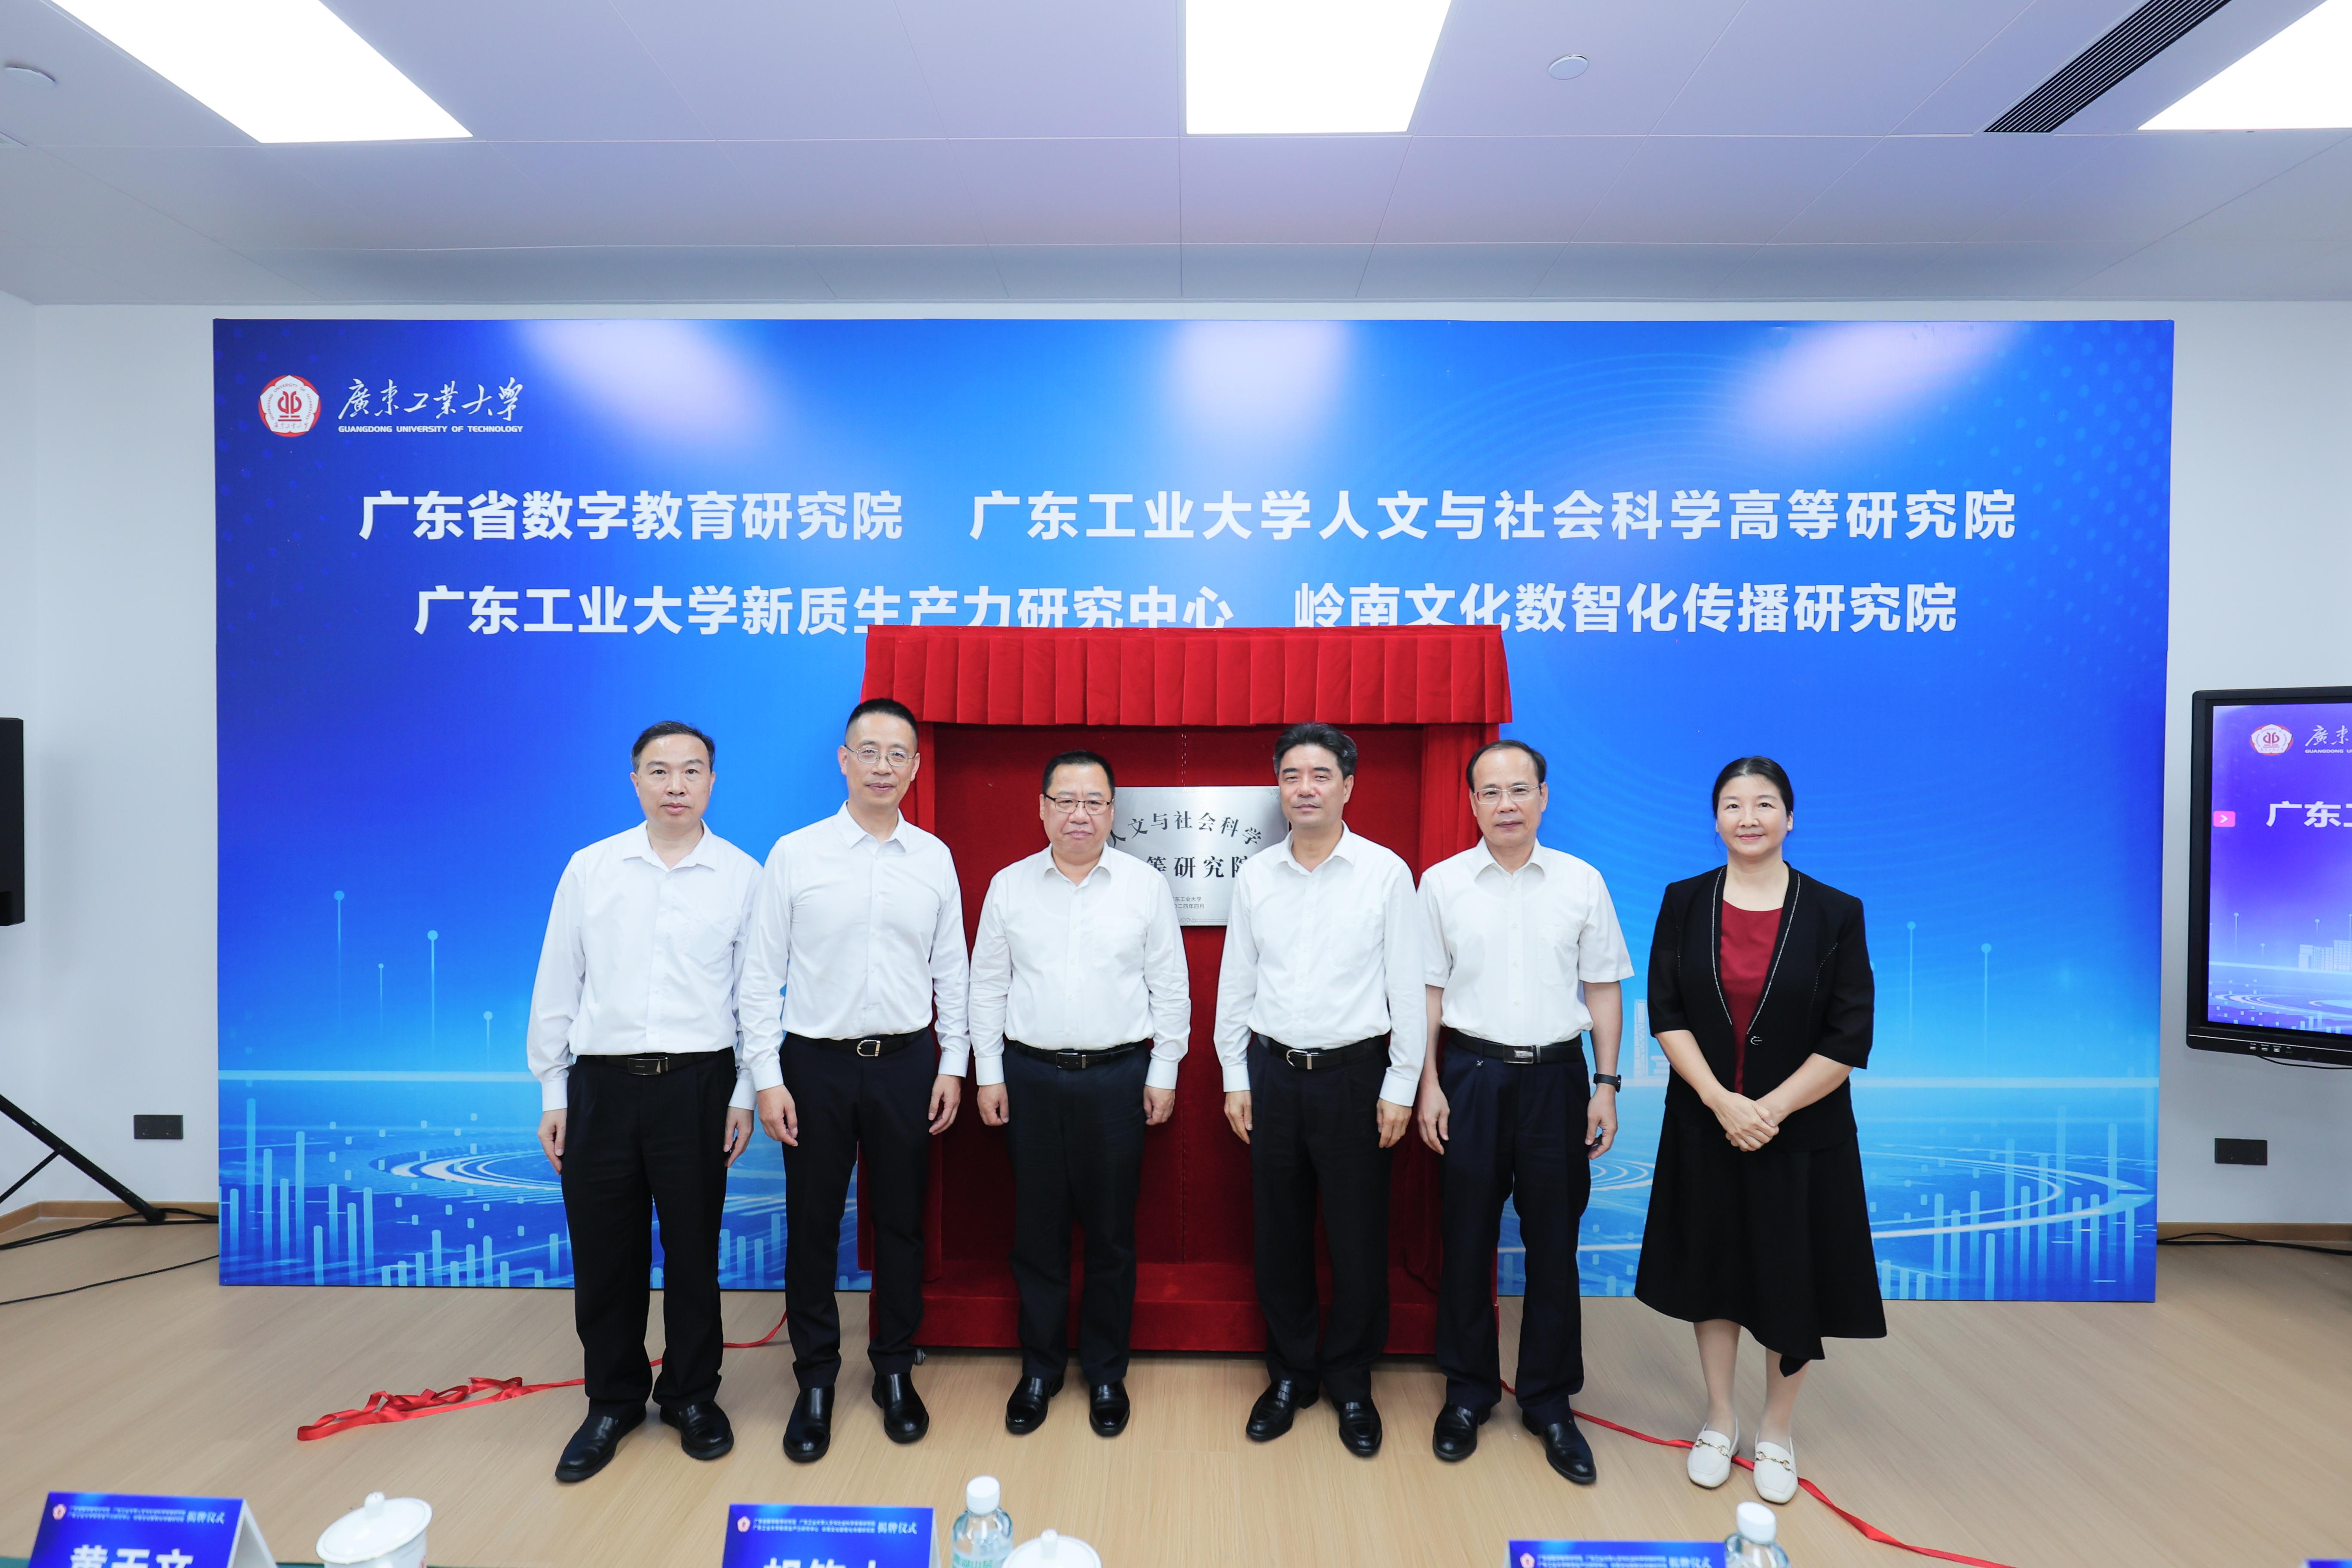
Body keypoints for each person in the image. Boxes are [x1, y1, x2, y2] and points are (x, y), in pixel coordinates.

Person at [1634, 756, 1883, 1506]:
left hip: (1799, 1132)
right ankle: (1719, 1419)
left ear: (1790, 818)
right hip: (1706, 1121)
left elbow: (1849, 1035)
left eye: (1765, 804)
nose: (1749, 817)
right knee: (1713, 1272)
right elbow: (1666, 1011)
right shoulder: (1684, 901)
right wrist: (1721, 1101)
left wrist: (1767, 1110)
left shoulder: (1835, 911)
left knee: (1789, 1276)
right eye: (1734, 805)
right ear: (1715, 819)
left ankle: (1776, 1431)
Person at [526, 721, 762, 1484]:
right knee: (605, 1255)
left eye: (692, 770)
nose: (676, 785)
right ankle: (614, 1400)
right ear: (635, 782)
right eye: (659, 771)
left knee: (694, 1253)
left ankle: (692, 1396)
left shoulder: (742, 876)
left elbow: (755, 996)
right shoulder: (591, 869)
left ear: (712, 782)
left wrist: (745, 1091)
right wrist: (554, 1088)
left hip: (699, 1085)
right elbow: (558, 982)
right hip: (600, 1086)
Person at [739, 697, 969, 1463]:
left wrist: (954, 1063)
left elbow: (952, 971)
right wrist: (767, 1078)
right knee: (811, 1226)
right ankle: (815, 1381)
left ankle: (894, 1369)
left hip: (907, 1063)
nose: (882, 767)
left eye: (898, 754)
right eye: (868, 751)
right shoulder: (796, 854)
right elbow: (760, 975)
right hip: (815, 1066)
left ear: (915, 767)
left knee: (902, 1223)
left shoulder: (932, 858)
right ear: (844, 761)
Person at [1415, 738, 1632, 1484]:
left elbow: (1603, 987)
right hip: (1469, 1077)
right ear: (1472, 803)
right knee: (1466, 1241)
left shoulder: (1581, 881)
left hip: (1557, 1081)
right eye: (1490, 792)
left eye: (1519, 790)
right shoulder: (1442, 884)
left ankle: (1548, 1401)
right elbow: (1427, 993)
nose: (1505, 804)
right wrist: (1428, 1084)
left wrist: (1606, 1084)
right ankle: (1468, 1392)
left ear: (1544, 797)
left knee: (1554, 1244)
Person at [1214, 721, 1424, 1459]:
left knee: (1358, 1238)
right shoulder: (1255, 876)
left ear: (1348, 786)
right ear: (1279, 787)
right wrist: (1234, 1075)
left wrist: (1402, 1084)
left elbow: (1406, 986)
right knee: (1279, 1235)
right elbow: (1236, 981)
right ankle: (1290, 1374)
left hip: (1357, 1080)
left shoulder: (1385, 873)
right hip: (1272, 1075)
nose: (1305, 788)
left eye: (1320, 775)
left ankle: (1351, 1380)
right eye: (1292, 775)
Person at [969, 749, 1189, 1439]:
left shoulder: (1144, 886)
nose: (1079, 814)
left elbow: (1171, 986)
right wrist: (988, 1072)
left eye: (1094, 802)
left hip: (1118, 1079)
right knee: (1036, 1233)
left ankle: (1106, 1372)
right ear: (1041, 809)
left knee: (1111, 1236)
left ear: (1113, 812)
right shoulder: (1009, 886)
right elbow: (987, 986)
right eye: (1065, 800)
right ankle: (1039, 1369)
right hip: (1029, 1078)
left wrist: (1164, 1072)